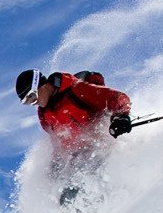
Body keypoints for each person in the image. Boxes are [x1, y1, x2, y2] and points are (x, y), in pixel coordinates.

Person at [14, 68, 133, 205]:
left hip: (102, 149)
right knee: (64, 200)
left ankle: (116, 210)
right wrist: (55, 165)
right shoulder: (44, 114)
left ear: (42, 85)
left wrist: (121, 116)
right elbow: (58, 142)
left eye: (32, 97)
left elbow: (115, 97)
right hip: (78, 160)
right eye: (27, 102)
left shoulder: (76, 90)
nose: (34, 103)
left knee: (77, 194)